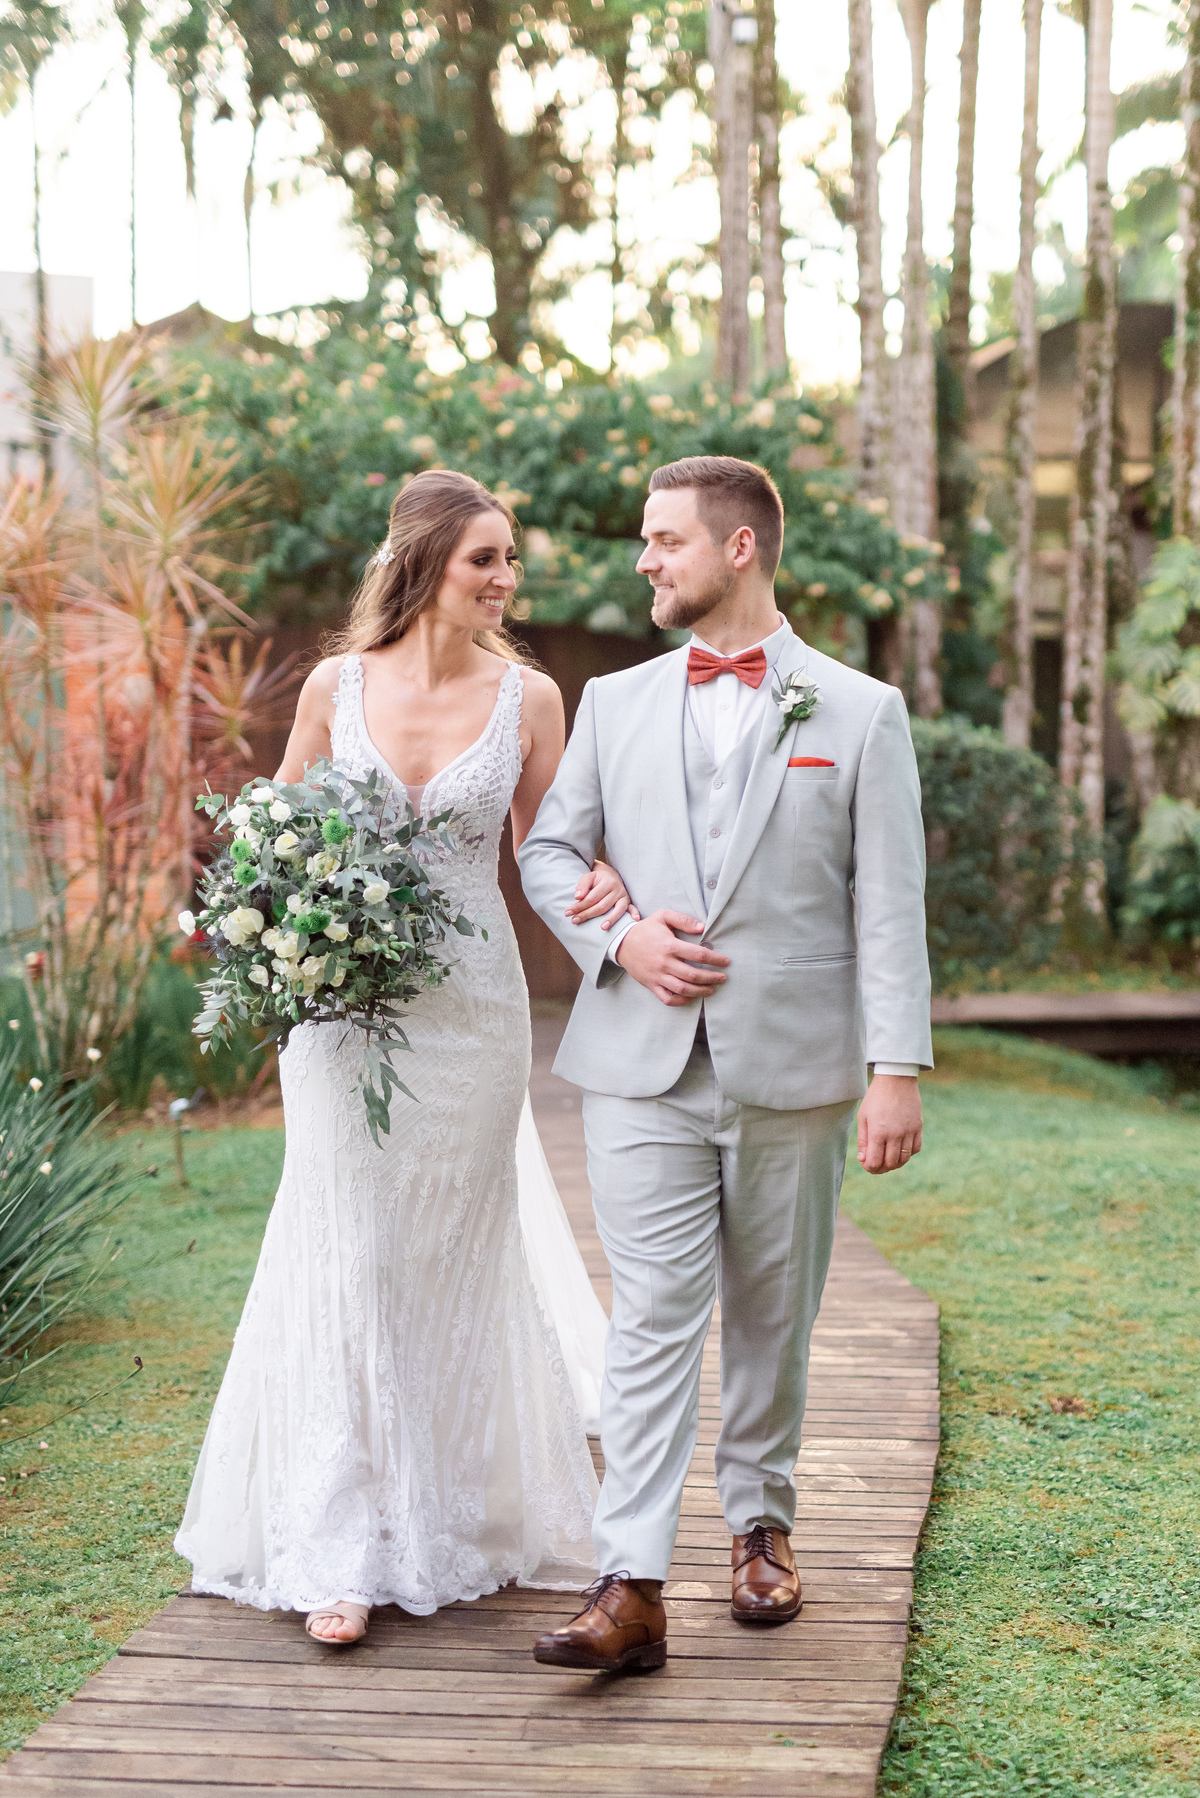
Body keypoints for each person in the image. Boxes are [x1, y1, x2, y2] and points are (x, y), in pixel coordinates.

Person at [175, 469, 624, 1646]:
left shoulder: (532, 698)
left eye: (510, 558)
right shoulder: (335, 685)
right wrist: (263, 922)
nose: (507, 578)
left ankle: (446, 1509)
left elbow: (550, 857)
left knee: (445, 1249)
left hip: (472, 1016)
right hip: (340, 1011)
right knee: (353, 1250)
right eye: (487, 558)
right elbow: (274, 831)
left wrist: (623, 928)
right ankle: (339, 1542)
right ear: (425, 563)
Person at [518, 454, 932, 1673]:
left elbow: (888, 904)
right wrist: (623, 938)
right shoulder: (614, 703)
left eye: (665, 539)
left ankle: (761, 1525)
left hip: (795, 1063)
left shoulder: (860, 711)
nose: (644, 560)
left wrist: (896, 1066)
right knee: (651, 1313)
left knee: (771, 1309)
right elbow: (550, 853)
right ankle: (631, 1579)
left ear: (738, 546)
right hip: (639, 1065)